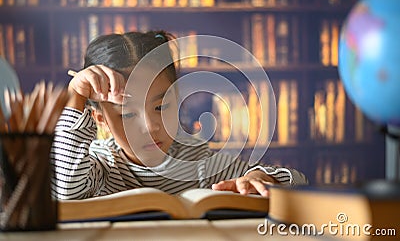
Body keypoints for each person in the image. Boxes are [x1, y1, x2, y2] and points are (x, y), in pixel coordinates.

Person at [51, 30, 308, 200]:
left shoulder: (198, 161)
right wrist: (76, 97)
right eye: (127, 115)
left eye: (161, 107)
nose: (151, 127)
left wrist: (261, 178)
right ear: (101, 120)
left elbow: (297, 181)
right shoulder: (101, 165)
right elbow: (67, 191)